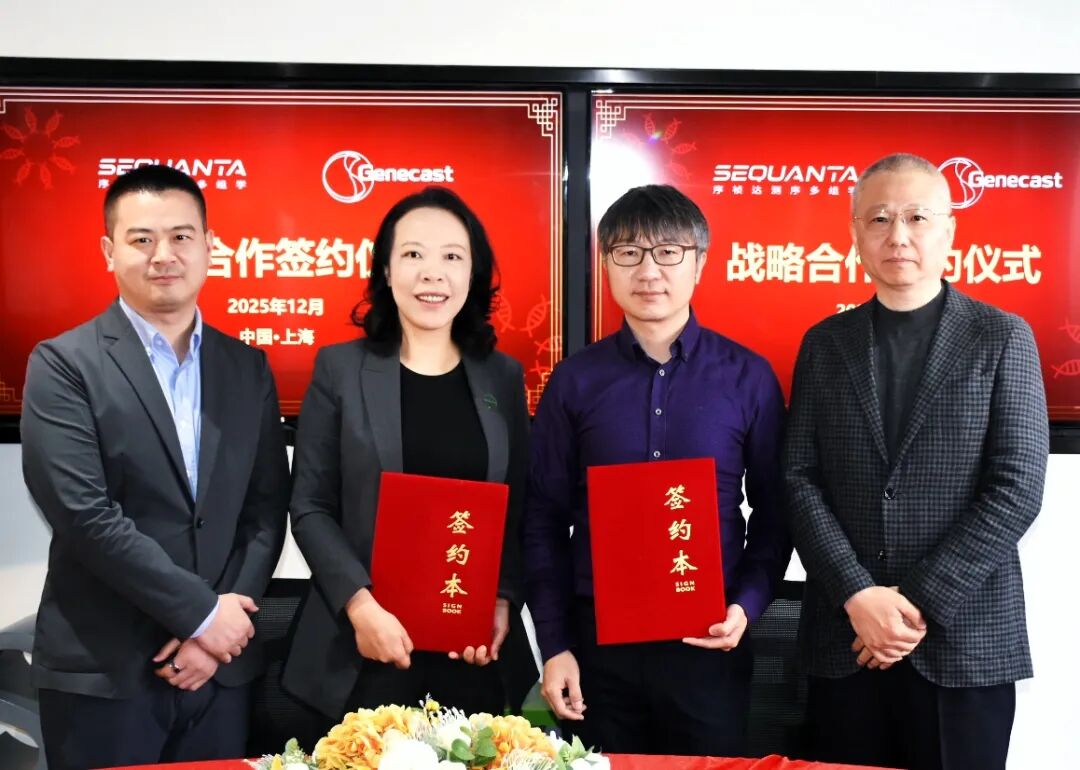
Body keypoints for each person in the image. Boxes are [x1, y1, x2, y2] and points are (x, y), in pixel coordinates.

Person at [20, 164, 291, 770]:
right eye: (141, 238)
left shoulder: (247, 367)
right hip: (105, 671)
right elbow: (85, 515)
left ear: (209, 246)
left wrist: (224, 631)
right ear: (108, 251)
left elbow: (266, 510)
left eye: (181, 236)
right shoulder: (63, 364)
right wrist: (201, 615)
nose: (163, 254)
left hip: (218, 674)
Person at [784, 153, 1049, 770]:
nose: (897, 235)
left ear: (949, 230)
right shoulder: (824, 344)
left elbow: (1017, 486)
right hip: (846, 641)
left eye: (916, 217)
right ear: (855, 234)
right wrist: (857, 595)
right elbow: (798, 479)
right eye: (879, 219)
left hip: (964, 643)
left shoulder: (1001, 336)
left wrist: (912, 605)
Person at [523, 184, 789, 755]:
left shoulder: (748, 377)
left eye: (668, 252)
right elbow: (542, 518)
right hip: (598, 649)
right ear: (606, 264)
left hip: (709, 641)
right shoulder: (574, 381)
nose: (649, 271)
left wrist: (747, 605)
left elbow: (777, 512)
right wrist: (555, 645)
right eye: (628, 253)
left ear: (700, 263)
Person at [282, 187, 537, 731]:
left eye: (452, 256)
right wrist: (360, 607)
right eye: (413, 254)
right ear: (386, 268)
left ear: (473, 273)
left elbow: (517, 507)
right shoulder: (340, 370)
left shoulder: (503, 377)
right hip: (361, 648)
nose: (432, 273)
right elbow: (310, 506)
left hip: (472, 652)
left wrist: (502, 599)